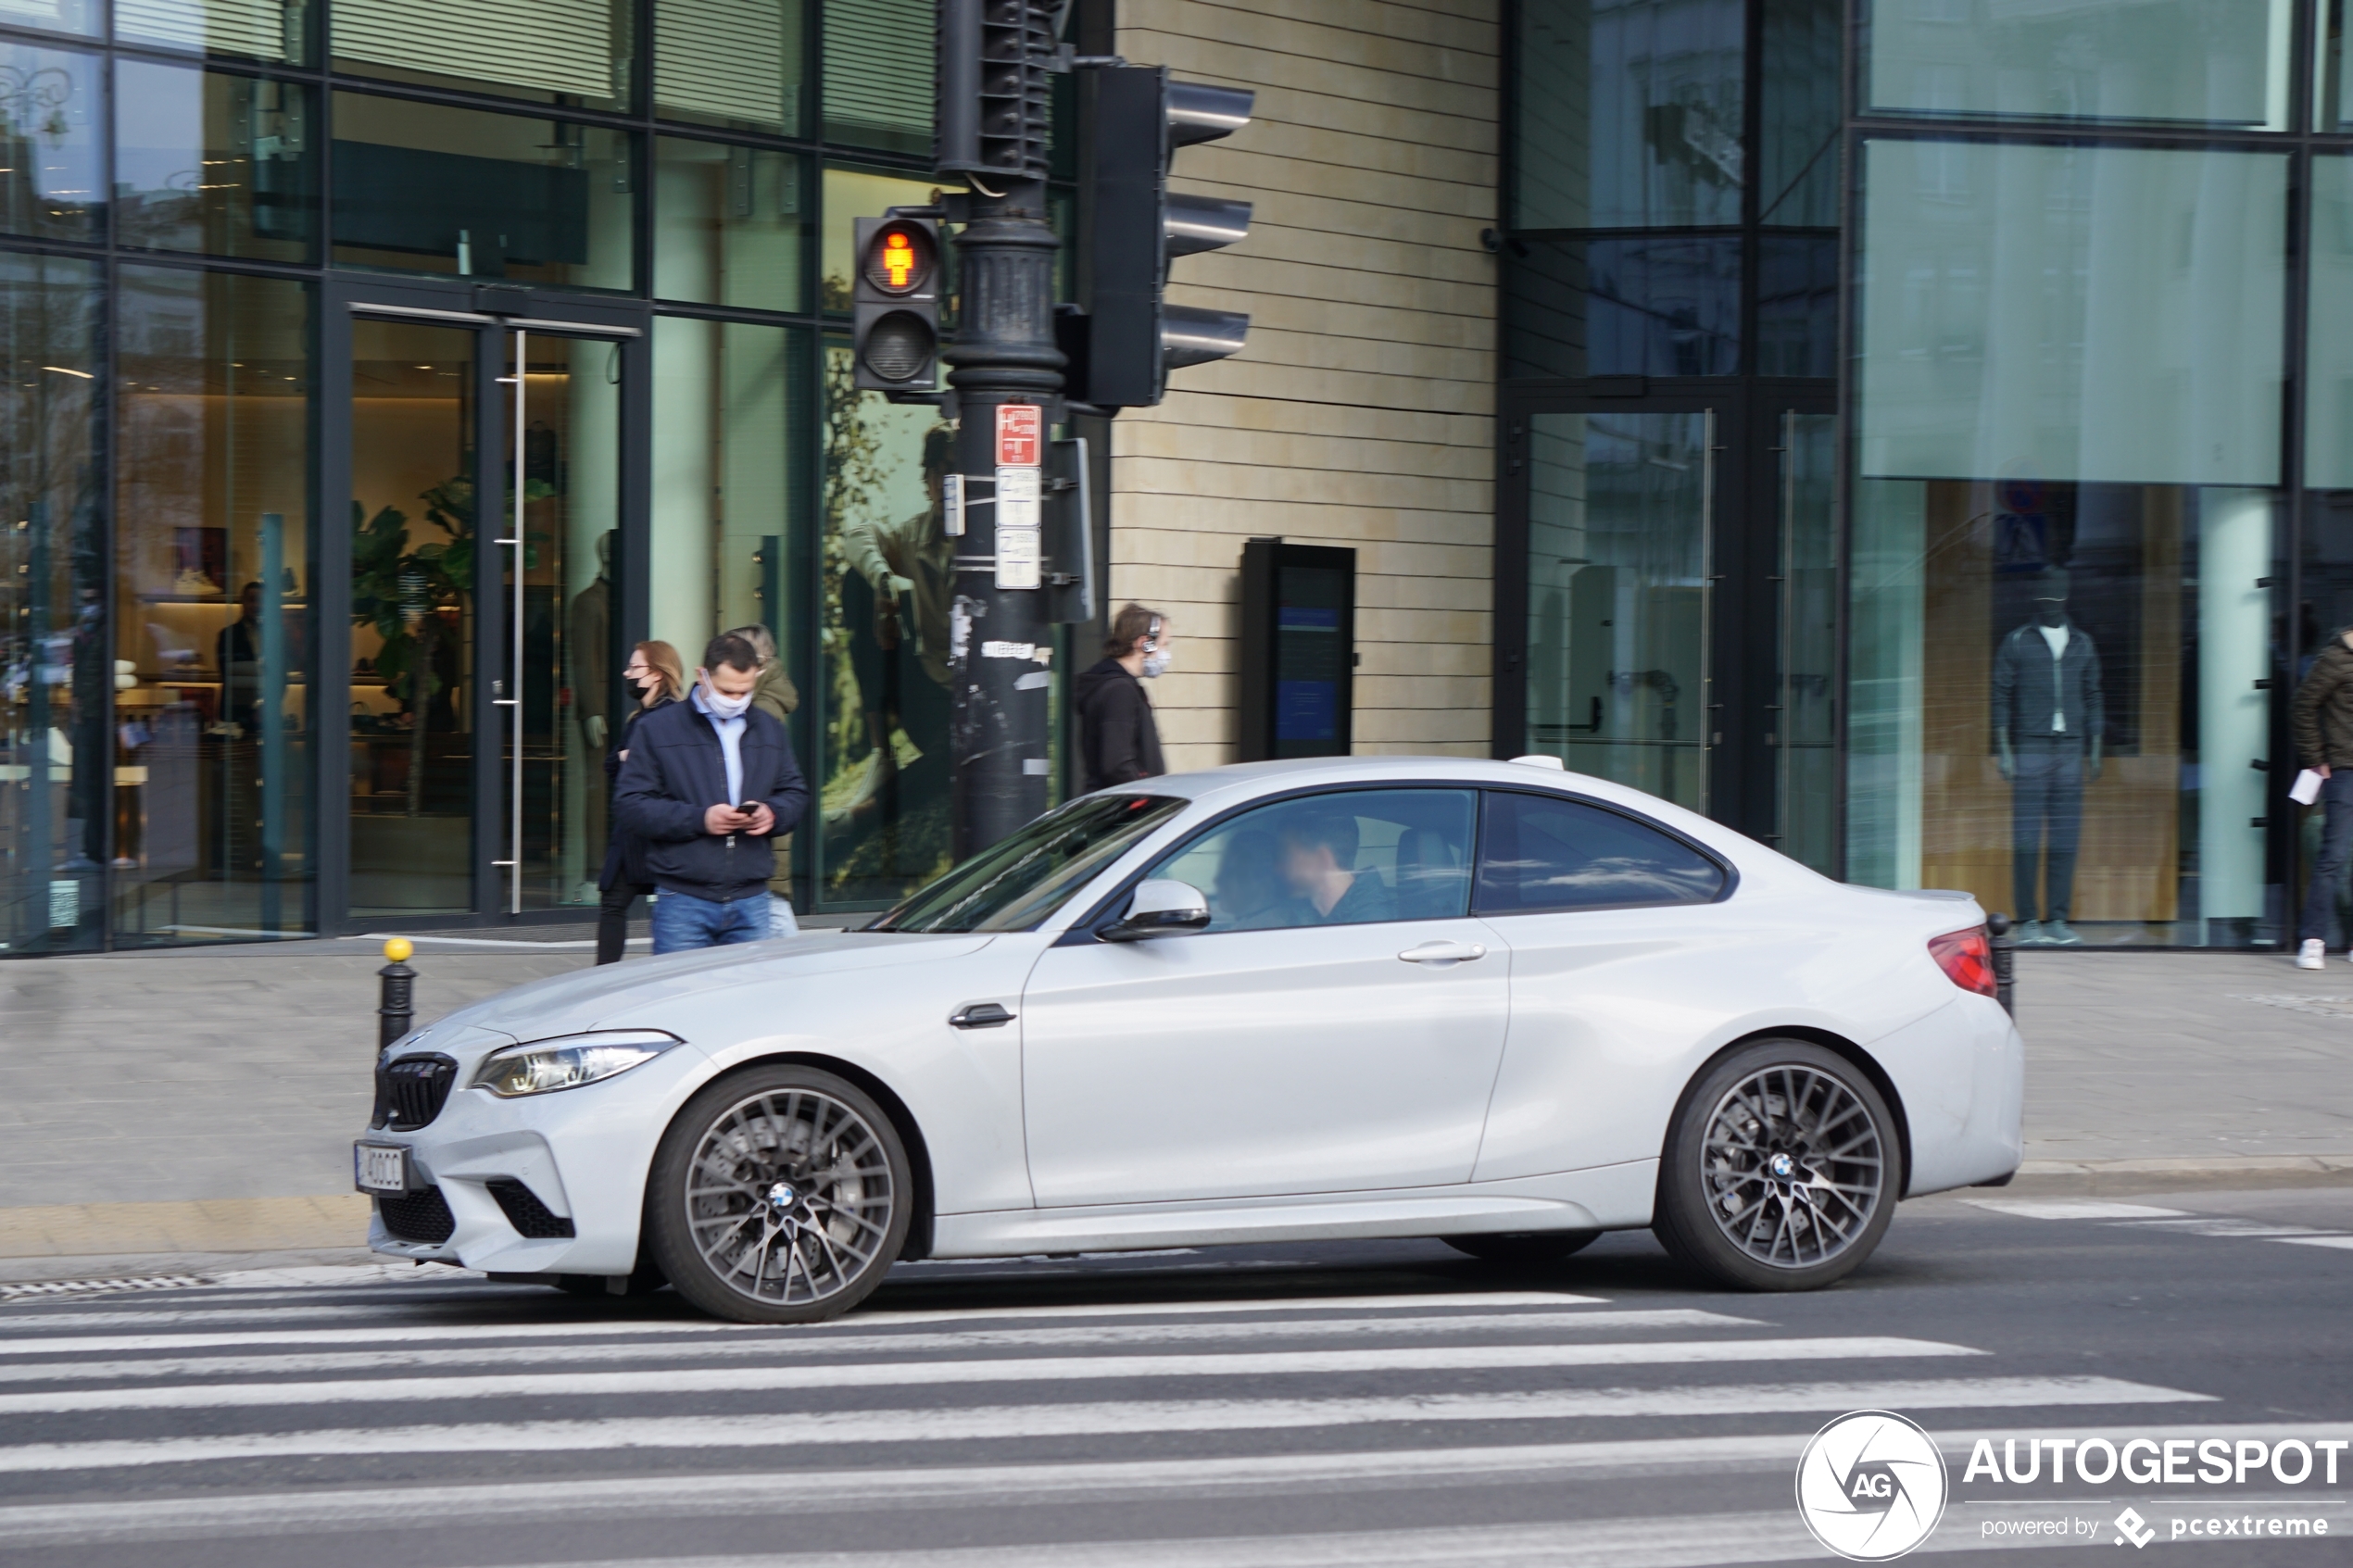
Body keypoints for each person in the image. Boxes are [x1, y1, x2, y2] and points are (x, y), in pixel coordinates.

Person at [615, 633, 811, 953]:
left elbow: (795, 792)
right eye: (726, 690)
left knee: (749, 1001)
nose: (736, 699)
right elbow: (631, 805)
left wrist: (771, 813)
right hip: (684, 900)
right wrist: (701, 819)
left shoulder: (769, 729)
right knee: (680, 998)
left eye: (745, 691)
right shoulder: (658, 728)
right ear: (701, 675)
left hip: (752, 898)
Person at [836, 424, 956, 842]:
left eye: (956, 473)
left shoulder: (997, 541)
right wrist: (885, 584)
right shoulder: (912, 536)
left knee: (960, 753)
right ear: (927, 482)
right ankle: (881, 750)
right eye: (938, 475)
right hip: (927, 689)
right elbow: (857, 537)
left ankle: (865, 819)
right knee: (857, 581)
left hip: (975, 700)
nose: (946, 486)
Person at [1991, 569, 2103, 947]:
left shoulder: (2082, 644)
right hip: (2030, 747)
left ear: (2065, 599)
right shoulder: (2019, 641)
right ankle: (2027, 920)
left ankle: (2057, 918)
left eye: (2057, 596)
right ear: (2038, 599)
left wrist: (2095, 747)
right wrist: (2005, 749)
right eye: (2046, 596)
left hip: (2070, 748)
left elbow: (2093, 695)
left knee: (2065, 838)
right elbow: (2000, 696)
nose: (2051, 603)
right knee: (2026, 839)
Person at [594, 640, 686, 965]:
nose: (627, 673)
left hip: (658, 829)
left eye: (635, 668)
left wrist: (626, 760)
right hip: (633, 831)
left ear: (658, 674)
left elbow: (668, 774)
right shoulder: (639, 718)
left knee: (669, 907)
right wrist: (624, 757)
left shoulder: (672, 717)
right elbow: (612, 765)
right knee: (613, 902)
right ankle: (602, 979)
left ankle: (660, 974)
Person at [722, 622, 802, 938]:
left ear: (760, 660)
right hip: (759, 833)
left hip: (757, 833)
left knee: (772, 907)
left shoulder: (762, 709)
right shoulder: (763, 700)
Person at [2293, 624, 2353, 967]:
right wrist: (2317, 760)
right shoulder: (2335, 658)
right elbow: (2302, 706)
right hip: (2345, 771)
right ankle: (2313, 940)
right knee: (2334, 856)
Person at [1075, 603, 1172, 793]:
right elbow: (1117, 764)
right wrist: (1148, 799)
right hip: (1122, 812)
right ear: (1144, 642)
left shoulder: (1118, 687)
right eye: (1164, 645)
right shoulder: (1120, 691)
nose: (1166, 654)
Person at [1277, 809, 1392, 924]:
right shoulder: (1303, 915)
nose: (1278, 868)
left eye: (1287, 855)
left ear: (1321, 859)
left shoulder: (1369, 928)